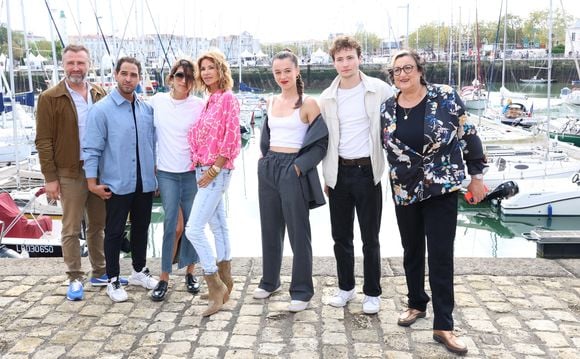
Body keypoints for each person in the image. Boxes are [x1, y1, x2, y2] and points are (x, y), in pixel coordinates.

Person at [380, 49, 487, 355]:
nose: (402, 74)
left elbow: (468, 134)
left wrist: (476, 176)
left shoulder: (446, 97)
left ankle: (444, 325)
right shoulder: (388, 107)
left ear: (420, 70)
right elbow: (385, 146)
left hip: (441, 188)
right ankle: (416, 303)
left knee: (440, 255)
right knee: (411, 249)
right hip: (405, 189)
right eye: (396, 71)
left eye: (408, 68)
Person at [35, 44, 127, 301]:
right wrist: (50, 178)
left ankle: (100, 271)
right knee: (71, 227)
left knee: (98, 226)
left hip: (97, 171)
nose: (76, 68)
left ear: (89, 65)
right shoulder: (50, 98)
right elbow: (43, 140)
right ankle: (75, 277)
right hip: (69, 171)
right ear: (63, 65)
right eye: (71, 63)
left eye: (81, 63)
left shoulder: (99, 93)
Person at [318, 35, 394, 314]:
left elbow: (397, 120)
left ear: (359, 58)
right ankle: (346, 288)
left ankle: (372, 292)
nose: (345, 63)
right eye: (340, 58)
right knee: (341, 238)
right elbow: (324, 139)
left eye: (350, 57)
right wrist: (326, 175)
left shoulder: (379, 89)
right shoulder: (327, 97)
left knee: (370, 238)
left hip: (367, 172)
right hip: (338, 173)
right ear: (334, 62)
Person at [252, 50, 328, 312]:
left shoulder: (308, 104)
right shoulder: (271, 102)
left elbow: (320, 144)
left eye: (287, 70)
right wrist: (263, 162)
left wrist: (298, 167)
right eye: (277, 72)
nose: (282, 76)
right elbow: (266, 138)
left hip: (293, 169)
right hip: (269, 168)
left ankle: (302, 290)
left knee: (298, 232)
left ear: (297, 71)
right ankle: (270, 281)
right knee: (269, 228)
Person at [83, 56, 159, 303]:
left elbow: (152, 145)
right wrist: (92, 183)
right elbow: (92, 149)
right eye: (124, 73)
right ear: (116, 75)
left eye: (134, 74)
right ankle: (113, 279)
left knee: (141, 229)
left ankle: (138, 270)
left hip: (144, 182)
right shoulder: (101, 110)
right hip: (116, 183)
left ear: (139, 78)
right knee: (114, 232)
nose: (129, 79)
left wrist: (154, 176)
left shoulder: (146, 109)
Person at [184, 50, 241, 317]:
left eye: (211, 67)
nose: (206, 72)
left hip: (215, 170)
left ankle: (214, 282)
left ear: (221, 70)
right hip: (203, 169)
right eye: (203, 68)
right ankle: (226, 280)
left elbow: (231, 139)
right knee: (218, 225)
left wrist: (215, 169)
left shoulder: (228, 98)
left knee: (193, 229)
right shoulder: (210, 99)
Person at [148, 58, 204, 301]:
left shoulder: (199, 106)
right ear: (170, 78)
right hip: (167, 173)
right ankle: (164, 277)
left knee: (192, 226)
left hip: (192, 172)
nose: (185, 81)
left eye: (190, 77)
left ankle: (191, 273)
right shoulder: (157, 102)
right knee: (173, 224)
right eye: (180, 75)